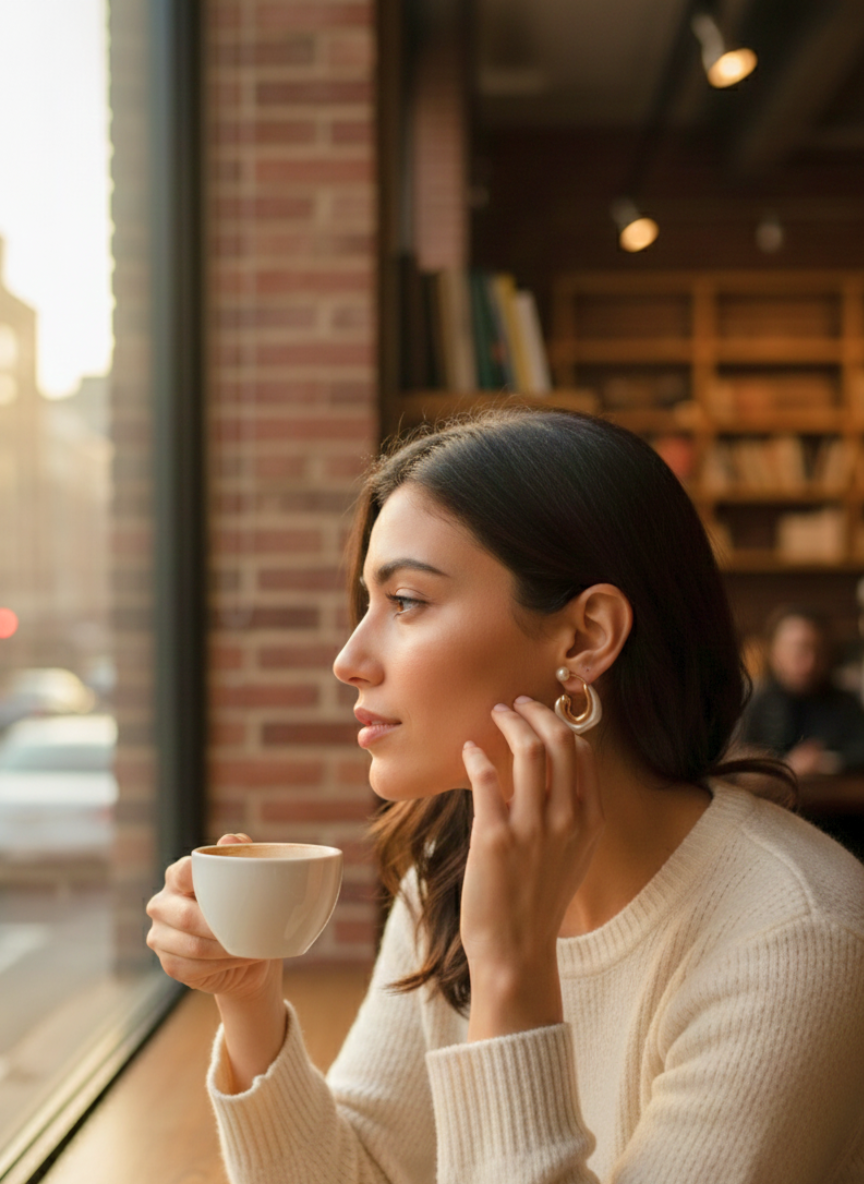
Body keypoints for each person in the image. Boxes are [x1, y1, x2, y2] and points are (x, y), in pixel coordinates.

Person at [146, 408, 864, 1184]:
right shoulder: (453, 864)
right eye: (367, 603)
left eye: (407, 602)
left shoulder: (798, 938)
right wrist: (249, 999)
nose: (349, 658)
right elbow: (367, 1172)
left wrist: (514, 972)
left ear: (586, 638)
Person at [739, 606, 864, 776]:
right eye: (799, 650)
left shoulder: (845, 703)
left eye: (818, 651)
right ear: (774, 652)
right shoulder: (753, 703)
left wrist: (826, 762)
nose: (809, 663)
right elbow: (740, 761)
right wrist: (788, 766)